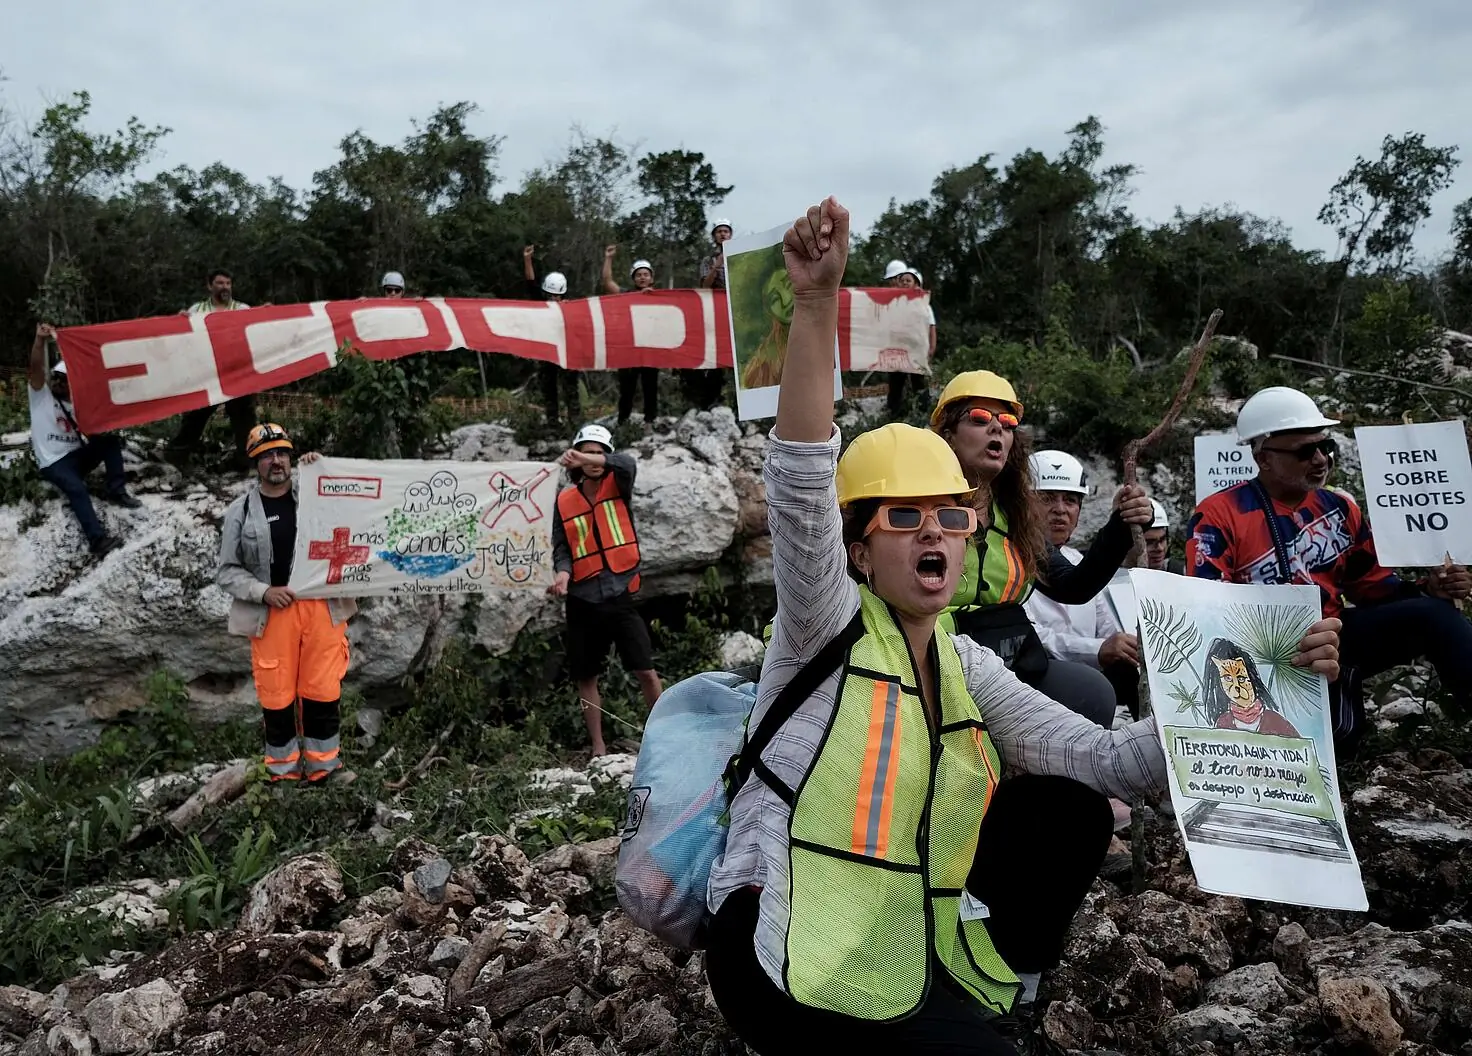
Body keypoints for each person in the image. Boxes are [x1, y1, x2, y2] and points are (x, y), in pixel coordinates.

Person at [703, 196, 1342, 1056]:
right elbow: (801, 481)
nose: (935, 530)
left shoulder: (967, 664)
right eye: (903, 517)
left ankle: (1002, 986)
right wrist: (815, 306)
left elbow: (1114, 760)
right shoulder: (824, 625)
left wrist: (1267, 680)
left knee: (1074, 802)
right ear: (857, 552)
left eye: (949, 517)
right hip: (776, 939)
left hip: (887, 926)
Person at [1187, 385, 1472, 753]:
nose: (1320, 459)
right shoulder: (1219, 514)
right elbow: (1205, 605)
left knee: (1434, 615)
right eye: (1305, 451)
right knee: (1336, 744)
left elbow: (1372, 586)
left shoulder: (1339, 509)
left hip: (1334, 637)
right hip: (1262, 652)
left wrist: (1431, 589)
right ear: (1264, 457)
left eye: (1326, 447)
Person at [929, 371, 1151, 728]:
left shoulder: (1015, 516)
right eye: (980, 418)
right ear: (947, 435)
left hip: (1008, 658)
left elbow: (1074, 585)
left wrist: (1122, 525)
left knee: (1093, 692)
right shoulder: (917, 504)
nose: (997, 429)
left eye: (1008, 422)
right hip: (933, 656)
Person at [216, 424, 357, 784]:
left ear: (291, 458)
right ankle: (283, 774)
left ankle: (325, 767)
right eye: (266, 456)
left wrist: (323, 471)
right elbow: (227, 572)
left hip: (322, 606)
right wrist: (263, 591)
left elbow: (352, 511)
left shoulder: (313, 495)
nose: (275, 461)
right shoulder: (241, 511)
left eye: (281, 453)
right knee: (276, 694)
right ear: (255, 463)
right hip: (272, 612)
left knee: (323, 689)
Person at [549, 423, 663, 756]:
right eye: (586, 452)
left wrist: (584, 455)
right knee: (586, 676)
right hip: (582, 599)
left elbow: (627, 462)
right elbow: (562, 549)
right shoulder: (565, 500)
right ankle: (598, 747)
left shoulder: (620, 482)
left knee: (645, 669)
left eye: (598, 453)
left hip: (619, 593)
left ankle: (664, 736)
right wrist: (562, 575)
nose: (593, 459)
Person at [1021, 450, 1139, 684]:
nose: (1060, 509)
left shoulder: (1080, 563)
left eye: (1070, 500)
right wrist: (1097, 650)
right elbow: (1032, 637)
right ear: (1024, 505)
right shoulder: (1009, 562)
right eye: (1047, 498)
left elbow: (1108, 630)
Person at [27, 322, 140, 556]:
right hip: (54, 461)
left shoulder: (81, 404)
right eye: (56, 376)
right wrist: (39, 341)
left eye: (63, 378)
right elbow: (36, 368)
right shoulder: (41, 397)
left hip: (76, 456)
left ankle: (117, 490)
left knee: (109, 442)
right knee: (77, 489)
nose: (57, 382)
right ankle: (97, 541)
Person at [170, 269, 257, 464]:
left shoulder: (242, 308)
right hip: (207, 373)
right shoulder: (197, 310)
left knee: (244, 419)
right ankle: (176, 456)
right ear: (210, 286)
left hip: (237, 372)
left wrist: (268, 313)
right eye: (220, 283)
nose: (225, 287)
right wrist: (178, 322)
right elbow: (184, 339)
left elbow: (258, 329)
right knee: (195, 416)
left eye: (228, 283)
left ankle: (248, 462)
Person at [602, 245, 660, 425]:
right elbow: (607, 282)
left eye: (645, 274)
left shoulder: (661, 296)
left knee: (650, 387)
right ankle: (623, 421)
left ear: (651, 278)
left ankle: (650, 421)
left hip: (651, 348)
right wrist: (608, 258)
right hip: (629, 349)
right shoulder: (625, 294)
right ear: (633, 278)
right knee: (627, 388)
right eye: (638, 275)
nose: (642, 278)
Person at [523, 245, 581, 426]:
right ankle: (552, 420)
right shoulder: (540, 304)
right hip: (546, 352)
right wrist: (527, 260)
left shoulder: (573, 307)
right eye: (550, 295)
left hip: (567, 351)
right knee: (548, 387)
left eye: (557, 296)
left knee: (571, 387)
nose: (553, 299)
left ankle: (574, 421)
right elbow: (530, 283)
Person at [685, 218, 734, 410]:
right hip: (717, 313)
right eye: (719, 231)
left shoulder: (741, 254)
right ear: (714, 236)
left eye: (726, 231)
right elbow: (705, 285)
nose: (723, 234)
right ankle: (714, 398)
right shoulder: (708, 260)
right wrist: (718, 264)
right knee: (718, 353)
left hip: (737, 310)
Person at [882, 260, 936, 419]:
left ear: (915, 284)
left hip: (916, 351)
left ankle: (923, 413)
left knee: (918, 382)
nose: (904, 283)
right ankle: (893, 414)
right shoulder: (894, 302)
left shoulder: (923, 305)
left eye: (908, 281)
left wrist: (931, 348)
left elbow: (931, 326)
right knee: (896, 383)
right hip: (898, 352)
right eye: (902, 280)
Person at [1143, 499, 1183, 573]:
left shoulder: (1179, 573)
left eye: (1162, 540)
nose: (1160, 548)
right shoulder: (1117, 578)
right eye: (1149, 542)